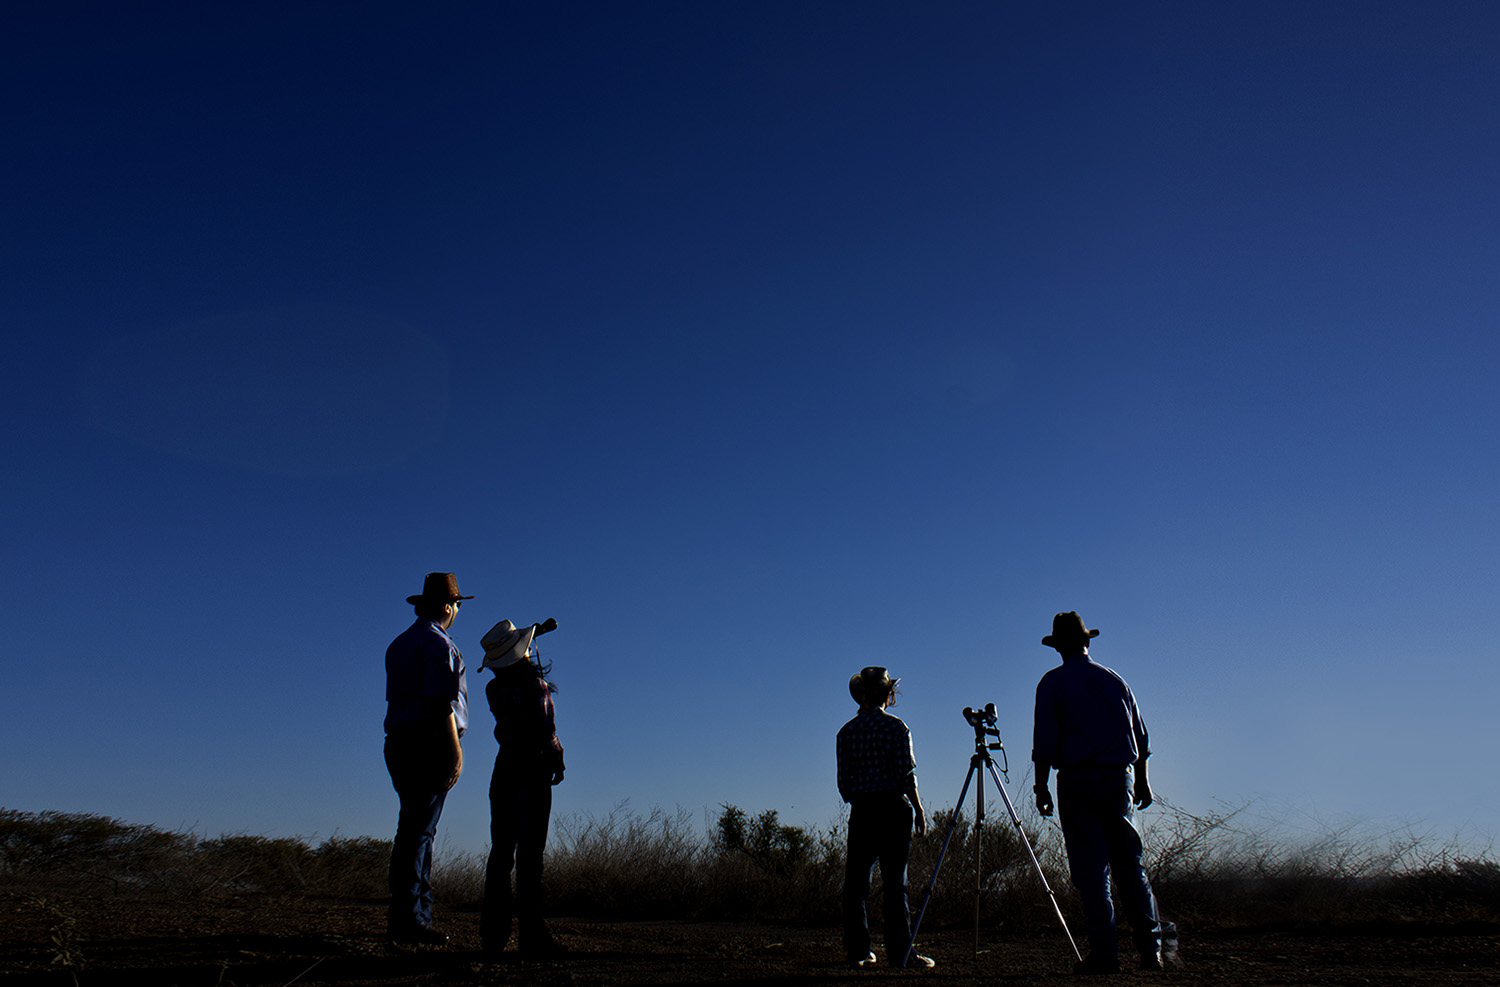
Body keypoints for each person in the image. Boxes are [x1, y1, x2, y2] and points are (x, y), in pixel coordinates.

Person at [1031, 611, 1163, 974]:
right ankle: (1151, 950)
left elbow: (1045, 740)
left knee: (1091, 869)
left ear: (1057, 646)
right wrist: (1141, 779)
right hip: (1118, 776)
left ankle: (1105, 953)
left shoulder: (1053, 683)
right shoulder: (1114, 680)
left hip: (1077, 778)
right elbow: (1140, 736)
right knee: (1130, 865)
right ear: (1087, 641)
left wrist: (1041, 784)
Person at [383, 572, 472, 945]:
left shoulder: (400, 644)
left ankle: (409, 914)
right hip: (428, 741)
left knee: (412, 829)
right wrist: (454, 751)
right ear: (449, 607)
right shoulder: (439, 646)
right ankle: (412, 919)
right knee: (420, 832)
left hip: (399, 740)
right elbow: (440, 704)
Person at [478, 616, 566, 959]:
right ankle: (532, 935)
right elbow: (546, 733)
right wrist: (557, 759)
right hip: (533, 767)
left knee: (501, 852)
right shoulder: (536, 687)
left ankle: (493, 935)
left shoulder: (493, 689)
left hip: (504, 768)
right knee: (530, 855)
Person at [836, 666, 934, 970]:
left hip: (863, 810)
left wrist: (862, 799)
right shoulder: (897, 728)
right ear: (887, 694)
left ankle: (859, 951)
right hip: (893, 809)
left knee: (856, 886)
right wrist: (918, 809)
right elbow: (907, 774)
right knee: (895, 884)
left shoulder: (846, 733)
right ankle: (901, 953)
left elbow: (844, 784)